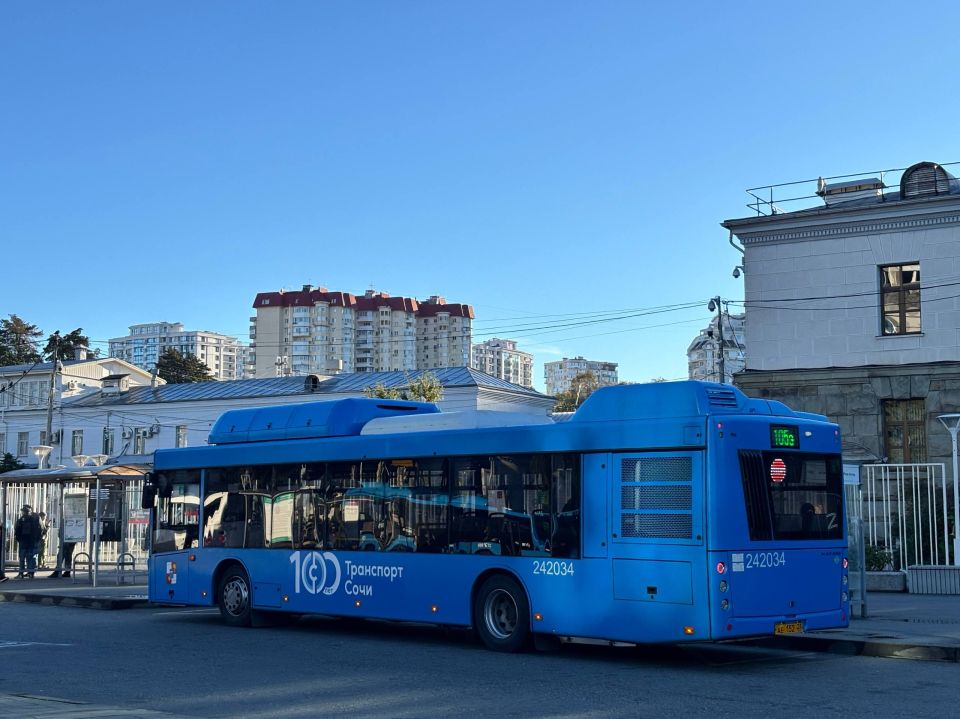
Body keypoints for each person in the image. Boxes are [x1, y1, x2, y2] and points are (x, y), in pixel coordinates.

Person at [14, 505, 41, 579]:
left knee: (24, 558)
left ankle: (23, 573)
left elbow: (17, 530)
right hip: (29, 541)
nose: (23, 513)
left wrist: (18, 538)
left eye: (24, 511)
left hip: (25, 541)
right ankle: (30, 572)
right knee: (30, 558)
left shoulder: (22, 520)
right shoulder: (34, 520)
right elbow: (40, 530)